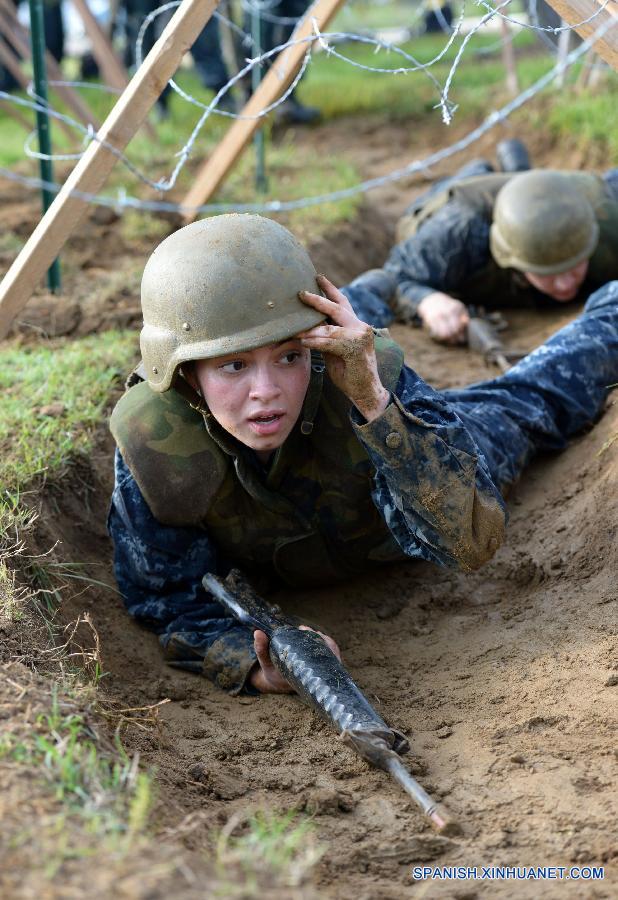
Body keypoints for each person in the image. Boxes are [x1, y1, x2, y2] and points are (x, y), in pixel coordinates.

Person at [108, 214, 618, 696]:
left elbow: (468, 542)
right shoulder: (158, 440)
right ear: (185, 376)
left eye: (290, 356)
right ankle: (371, 291)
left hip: (407, 453)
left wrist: (375, 403)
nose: (266, 391)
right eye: (234, 366)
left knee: (533, 399)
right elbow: (167, 599)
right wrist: (249, 663)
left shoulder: (363, 377)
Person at [343, 165, 618, 345]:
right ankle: (480, 168)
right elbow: (395, 277)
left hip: (544, 193)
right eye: (548, 274)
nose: (565, 284)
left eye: (573, 267)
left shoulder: (606, 213)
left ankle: (513, 168)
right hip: (458, 202)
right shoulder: (457, 232)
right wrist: (426, 300)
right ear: (509, 257)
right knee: (465, 179)